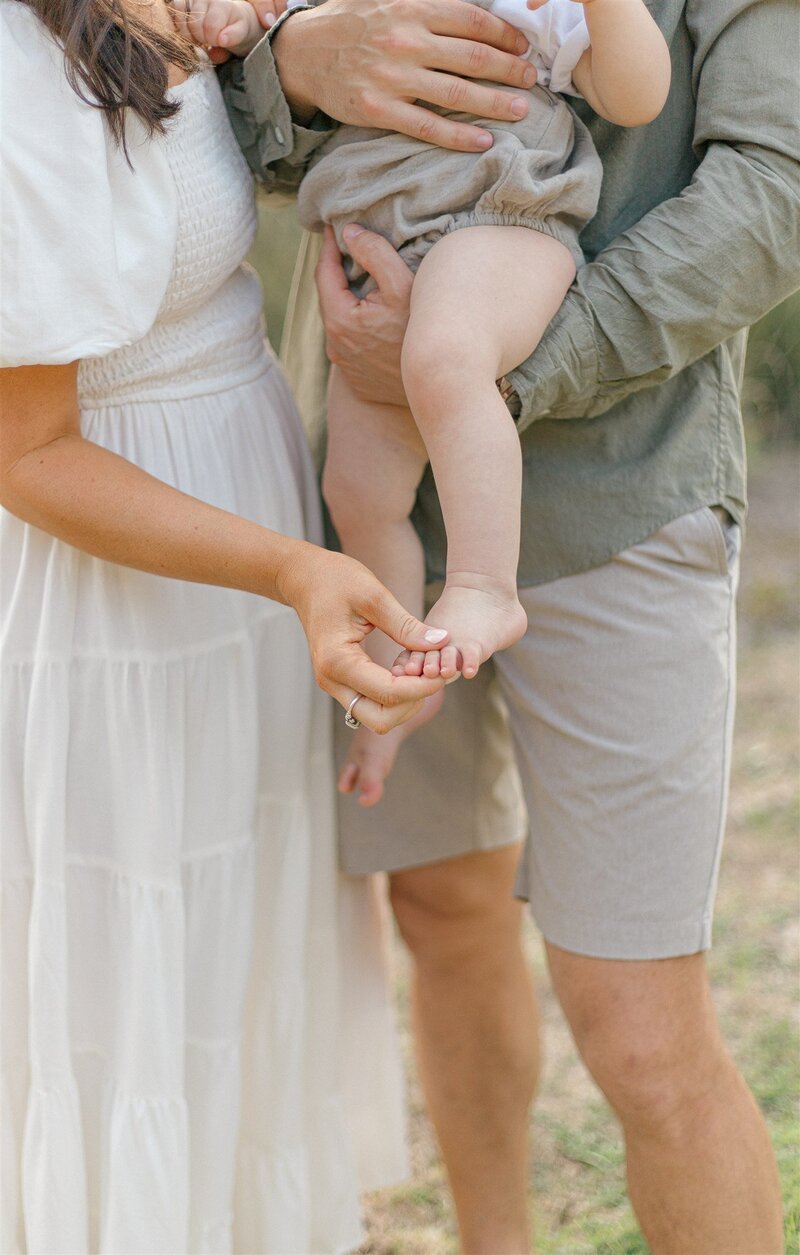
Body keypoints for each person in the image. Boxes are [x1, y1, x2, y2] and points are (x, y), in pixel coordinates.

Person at [222, 0, 799, 1249]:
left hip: (615, 493)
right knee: (440, 914)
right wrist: (296, 67)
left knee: (640, 1034)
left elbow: (774, 195)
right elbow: (216, 120)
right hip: (369, 488)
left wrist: (491, 370)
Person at [0, 0, 459, 1247]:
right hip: (124, 584)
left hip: (244, 519)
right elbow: (27, 454)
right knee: (132, 953)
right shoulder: (17, 76)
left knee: (227, 934)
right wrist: (292, 572)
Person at [173, 0, 670, 808]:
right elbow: (263, 39)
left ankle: (485, 587)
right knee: (357, 490)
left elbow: (636, 95)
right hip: (380, 245)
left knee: (444, 357)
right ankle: (409, 665)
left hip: (501, 217)